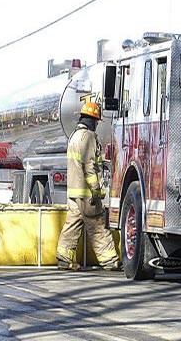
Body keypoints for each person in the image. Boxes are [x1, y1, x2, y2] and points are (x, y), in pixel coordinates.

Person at [56, 102, 121, 271]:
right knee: (98, 225)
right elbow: (89, 165)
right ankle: (109, 260)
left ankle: (64, 258)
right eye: (97, 121)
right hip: (87, 193)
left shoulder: (74, 137)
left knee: (72, 224)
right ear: (92, 120)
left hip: (73, 192)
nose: (97, 124)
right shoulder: (89, 137)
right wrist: (96, 190)